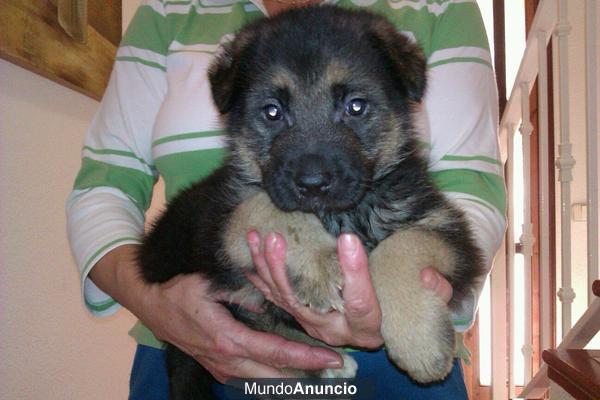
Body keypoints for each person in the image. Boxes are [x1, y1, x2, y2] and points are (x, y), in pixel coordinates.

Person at [66, 0, 506, 398]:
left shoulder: (437, 8)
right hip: (194, 341)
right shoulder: (168, 12)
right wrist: (154, 304)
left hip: (393, 361)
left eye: (354, 108)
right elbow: (104, 187)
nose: (313, 170)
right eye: (273, 114)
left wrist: (405, 291)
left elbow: (472, 199)